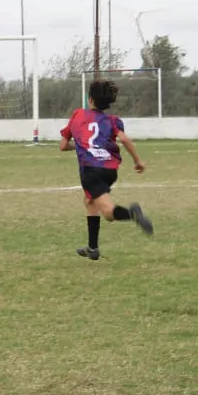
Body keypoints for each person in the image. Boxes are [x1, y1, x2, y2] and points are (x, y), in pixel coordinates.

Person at [59, 80, 153, 261]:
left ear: (90, 99)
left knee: (109, 213)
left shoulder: (78, 114)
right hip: (110, 169)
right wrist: (138, 161)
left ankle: (133, 214)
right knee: (89, 201)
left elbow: (63, 146)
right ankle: (92, 248)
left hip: (91, 169)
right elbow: (124, 140)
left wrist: (80, 145)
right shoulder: (113, 121)